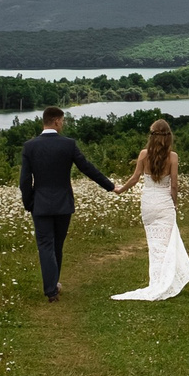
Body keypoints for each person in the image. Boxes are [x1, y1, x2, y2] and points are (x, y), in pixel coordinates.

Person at [18, 106, 114, 302]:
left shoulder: (30, 146)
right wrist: (110, 186)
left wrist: (29, 203)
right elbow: (87, 168)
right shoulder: (68, 144)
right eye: (62, 121)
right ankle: (53, 286)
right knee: (57, 245)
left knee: (45, 245)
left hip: (41, 205)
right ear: (56, 121)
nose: (63, 124)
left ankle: (52, 289)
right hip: (63, 204)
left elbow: (25, 180)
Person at [110, 118, 189, 301]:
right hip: (164, 203)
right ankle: (165, 282)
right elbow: (174, 185)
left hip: (148, 203)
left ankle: (158, 281)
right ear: (169, 136)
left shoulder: (143, 154)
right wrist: (175, 203)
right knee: (166, 245)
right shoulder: (173, 157)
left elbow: (134, 179)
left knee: (154, 246)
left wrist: (120, 190)